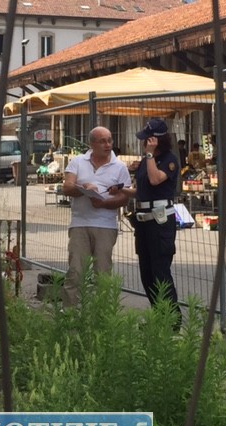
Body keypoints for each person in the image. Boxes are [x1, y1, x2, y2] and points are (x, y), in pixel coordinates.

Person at [61, 126, 132, 307]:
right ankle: (69, 313)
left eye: (109, 140)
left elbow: (124, 197)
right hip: (80, 223)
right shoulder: (78, 162)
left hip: (105, 225)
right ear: (92, 144)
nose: (107, 145)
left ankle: (102, 313)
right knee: (76, 271)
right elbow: (67, 187)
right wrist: (84, 188)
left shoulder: (120, 167)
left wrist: (104, 204)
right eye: (102, 141)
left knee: (103, 273)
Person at [125, 118, 181, 327]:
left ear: (156, 140)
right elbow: (142, 190)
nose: (143, 143)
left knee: (160, 272)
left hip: (160, 221)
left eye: (147, 139)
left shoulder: (169, 159)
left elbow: (156, 180)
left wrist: (149, 155)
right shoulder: (146, 161)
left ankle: (172, 320)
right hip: (143, 221)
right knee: (146, 273)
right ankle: (158, 316)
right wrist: (121, 190)